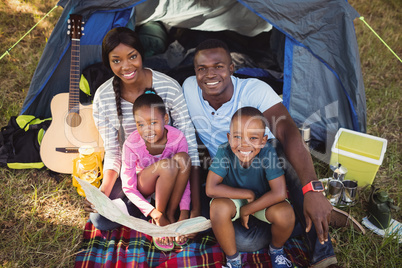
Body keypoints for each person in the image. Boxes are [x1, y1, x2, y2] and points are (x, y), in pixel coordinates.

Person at [182, 39, 337, 267]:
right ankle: (298, 216)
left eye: (218, 66)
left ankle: (322, 251)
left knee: (288, 160)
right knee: (245, 241)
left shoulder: (253, 90)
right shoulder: (188, 89)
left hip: (266, 162)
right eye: (202, 68)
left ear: (232, 68)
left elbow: (287, 132)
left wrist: (311, 187)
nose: (210, 74)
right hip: (231, 172)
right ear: (195, 72)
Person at [86, 27, 201, 231]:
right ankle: (147, 208)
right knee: (100, 219)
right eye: (116, 60)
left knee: (198, 205)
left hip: (174, 172)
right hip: (135, 173)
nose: (126, 66)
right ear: (108, 63)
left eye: (132, 57)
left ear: (142, 55)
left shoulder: (168, 87)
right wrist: (103, 192)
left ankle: (159, 211)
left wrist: (193, 208)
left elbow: (188, 143)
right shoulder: (103, 98)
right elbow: (113, 152)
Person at [206, 107, 295, 268]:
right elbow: (211, 188)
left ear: (263, 140)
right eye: (237, 137)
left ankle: (276, 250)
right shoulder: (224, 151)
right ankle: (233, 260)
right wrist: (246, 194)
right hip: (234, 200)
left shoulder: (267, 152)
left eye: (253, 138)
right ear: (229, 137)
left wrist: (249, 209)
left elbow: (280, 192)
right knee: (218, 209)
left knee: (286, 214)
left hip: (262, 200)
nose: (244, 144)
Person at [121, 88, 191, 250]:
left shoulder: (178, 138)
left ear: (165, 119)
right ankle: (160, 219)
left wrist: (184, 211)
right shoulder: (131, 144)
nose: (148, 130)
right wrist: (154, 213)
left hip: (170, 186)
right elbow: (128, 187)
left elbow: (185, 179)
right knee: (168, 165)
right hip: (146, 185)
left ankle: (171, 213)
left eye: (153, 122)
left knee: (183, 159)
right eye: (141, 124)